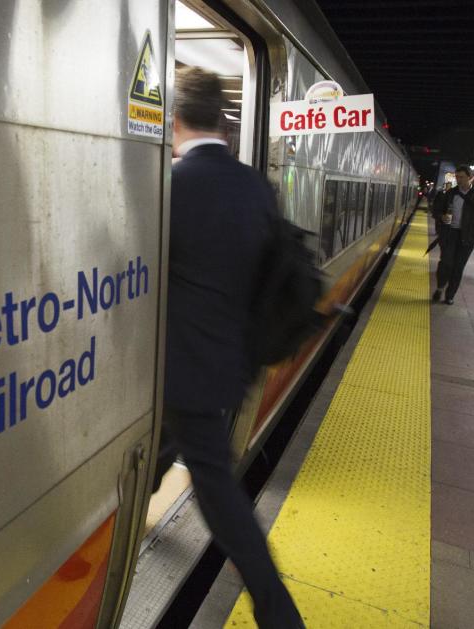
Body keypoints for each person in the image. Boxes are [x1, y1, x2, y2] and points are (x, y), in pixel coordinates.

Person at [152, 66, 303, 629]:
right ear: (221, 118)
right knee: (168, 439)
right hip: (233, 362)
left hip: (184, 367)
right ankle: (142, 492)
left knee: (218, 493)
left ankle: (279, 613)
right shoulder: (253, 185)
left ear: (174, 121)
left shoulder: (171, 185)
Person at [429, 166, 474, 304]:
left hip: (468, 236)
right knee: (446, 263)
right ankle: (440, 287)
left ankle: (450, 296)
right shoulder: (449, 193)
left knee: (458, 266)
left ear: (469, 177)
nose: (458, 179)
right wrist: (441, 216)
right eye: (457, 177)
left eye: (461, 177)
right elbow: (436, 210)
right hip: (450, 234)